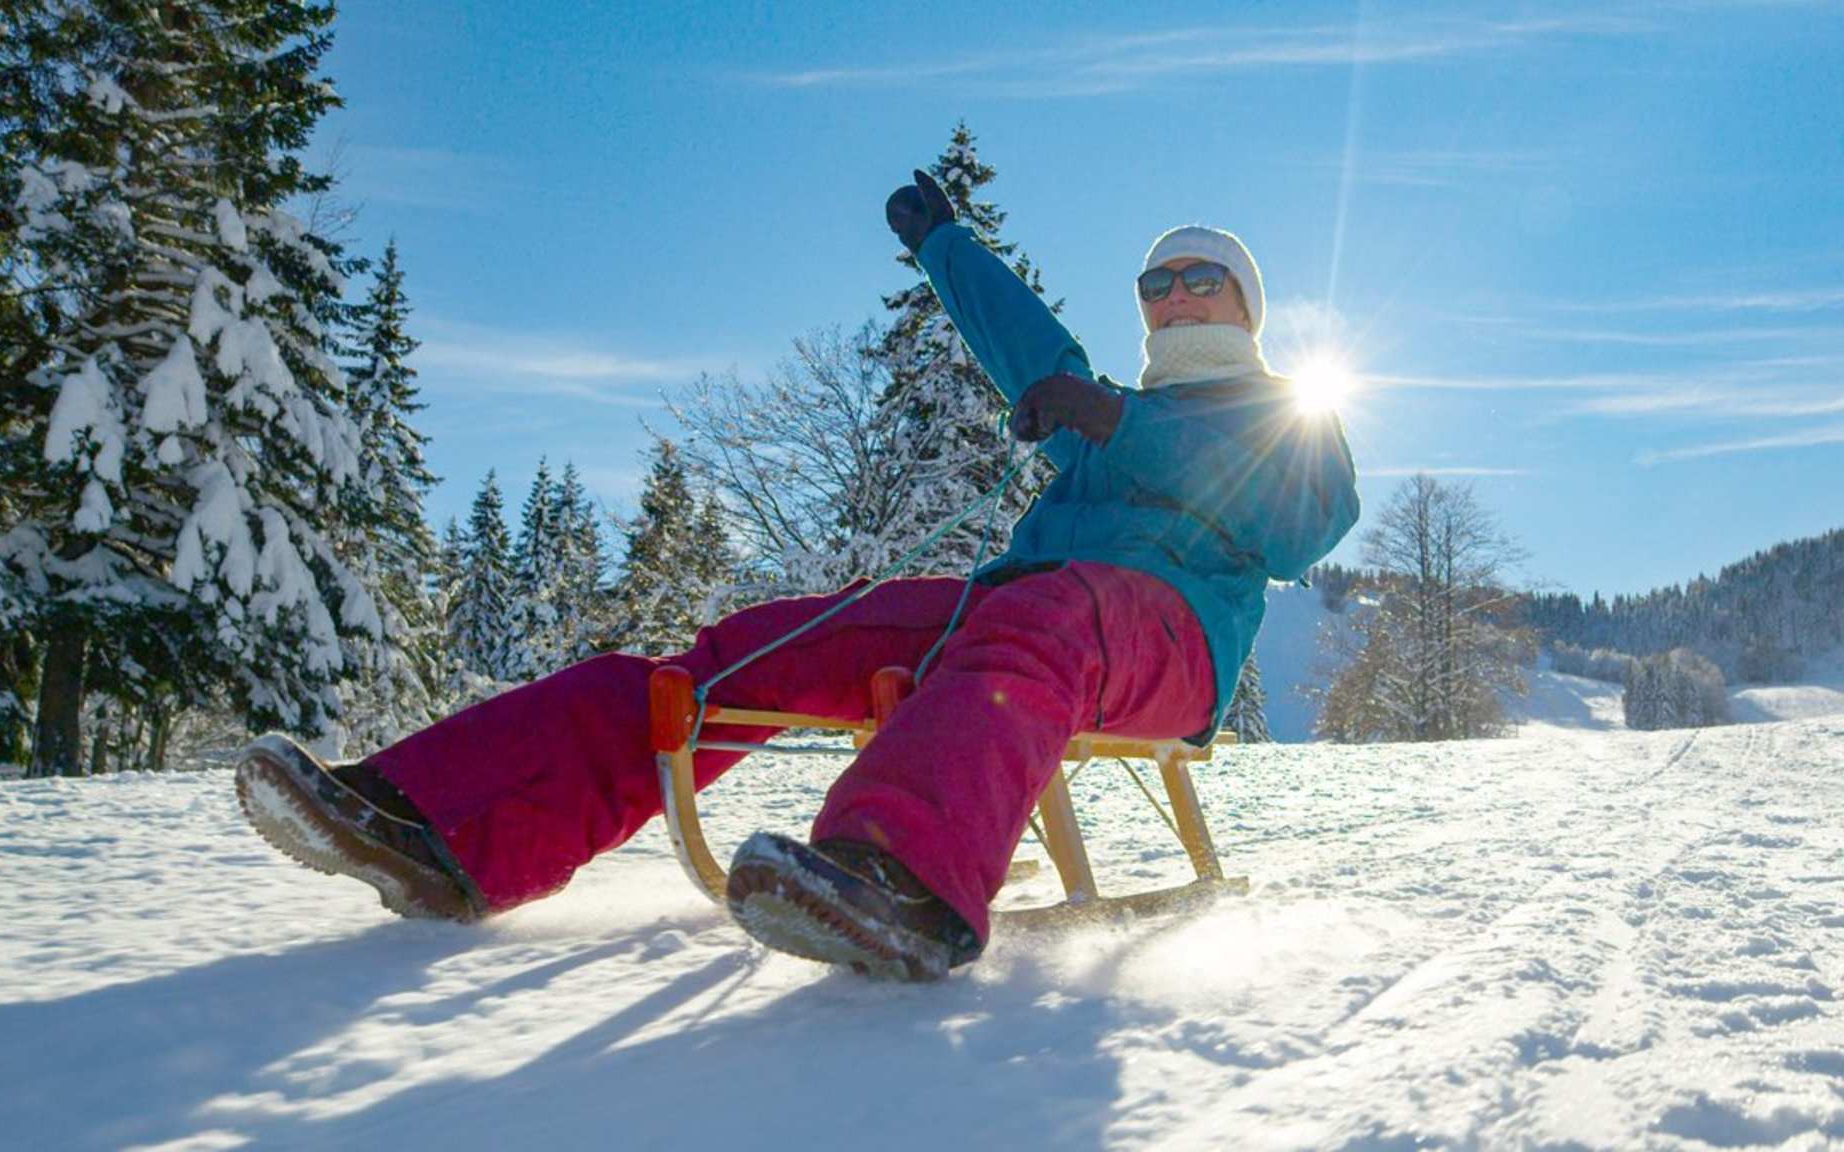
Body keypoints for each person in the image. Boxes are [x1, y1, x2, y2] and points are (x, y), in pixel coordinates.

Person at [236, 170, 1360, 982]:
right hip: (1030, 614)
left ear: (1244, 308)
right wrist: (944, 248)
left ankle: (900, 878)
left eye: (1198, 278)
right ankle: (440, 822)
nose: (1172, 295)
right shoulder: (1105, 411)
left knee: (1045, 619)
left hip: (1164, 640)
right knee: (773, 641)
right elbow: (1037, 358)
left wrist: (1119, 424)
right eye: (1155, 281)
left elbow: (1296, 522)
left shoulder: (1282, 414)